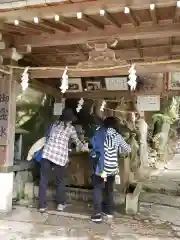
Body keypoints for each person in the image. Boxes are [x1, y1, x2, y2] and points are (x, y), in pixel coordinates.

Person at [39, 108, 87, 213]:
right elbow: (77, 142)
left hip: (47, 153)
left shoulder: (54, 124)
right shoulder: (70, 128)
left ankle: (42, 205)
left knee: (43, 180)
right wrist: (85, 147)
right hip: (59, 157)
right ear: (70, 119)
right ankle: (60, 204)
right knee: (60, 181)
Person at [90, 116, 131, 222]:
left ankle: (97, 214)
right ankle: (109, 212)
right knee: (109, 189)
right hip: (112, 168)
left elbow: (93, 146)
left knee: (98, 188)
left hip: (100, 167)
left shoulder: (98, 132)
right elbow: (127, 149)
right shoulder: (117, 135)